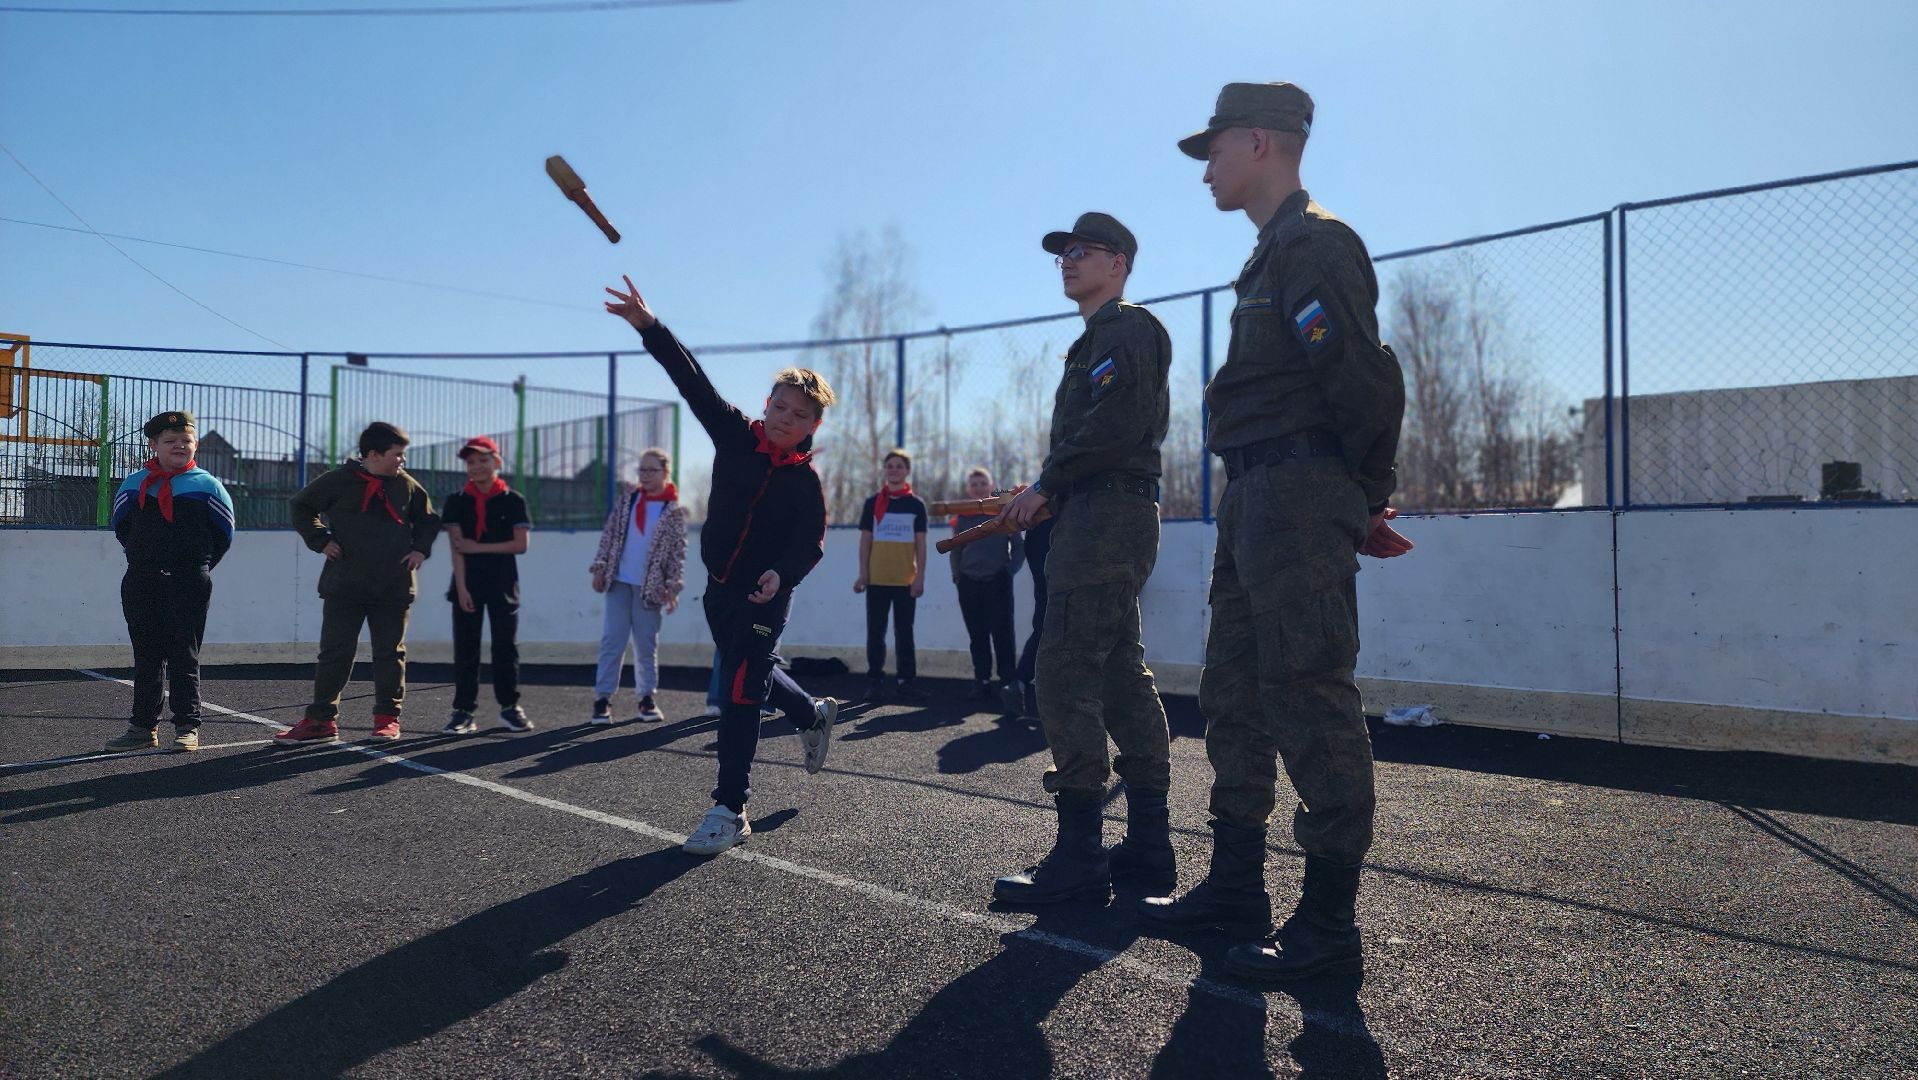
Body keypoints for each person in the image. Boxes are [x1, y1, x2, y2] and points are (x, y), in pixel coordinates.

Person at [1138, 82, 1414, 984]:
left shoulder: (1315, 245)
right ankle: (1236, 886)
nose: (1205, 171)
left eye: (1214, 150)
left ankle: (1329, 924)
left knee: (1308, 692)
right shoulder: (1269, 255)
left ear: (1259, 142)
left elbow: (1367, 384)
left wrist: (1363, 498)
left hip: (1297, 492)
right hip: (1254, 493)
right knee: (1235, 693)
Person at [604, 274, 840, 855]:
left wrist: (782, 574)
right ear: (766, 405)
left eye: (799, 414)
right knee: (749, 670)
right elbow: (692, 381)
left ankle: (730, 808)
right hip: (719, 588)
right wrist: (649, 326)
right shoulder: (734, 435)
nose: (785, 418)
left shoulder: (806, 484)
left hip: (766, 597)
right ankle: (811, 715)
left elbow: (810, 543)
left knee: (740, 689)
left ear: (813, 426)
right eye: (779, 406)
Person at [992, 212, 1177, 904]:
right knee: (1120, 672)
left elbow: (1117, 425)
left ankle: (1078, 855)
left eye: (1083, 251)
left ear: (1119, 263)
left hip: (1105, 517)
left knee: (1064, 667)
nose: (1068, 260)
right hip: (1099, 511)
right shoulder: (1097, 338)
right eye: (1063, 253)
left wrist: (1050, 483)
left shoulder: (1126, 328)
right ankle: (1149, 846)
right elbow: (1102, 437)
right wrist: (1047, 490)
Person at [279, 421, 441, 744]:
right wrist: (321, 540)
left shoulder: (406, 485)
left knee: (389, 653)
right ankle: (321, 721)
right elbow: (301, 506)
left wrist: (420, 549)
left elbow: (429, 520)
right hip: (345, 585)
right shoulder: (338, 481)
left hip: (393, 586)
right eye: (397, 454)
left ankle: (387, 719)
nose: (402, 461)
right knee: (335, 653)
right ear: (373, 454)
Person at [103, 410, 235, 753]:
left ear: (195, 445)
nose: (179, 446)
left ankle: (187, 726)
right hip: (142, 580)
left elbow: (223, 534)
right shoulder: (134, 484)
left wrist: (196, 566)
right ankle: (142, 728)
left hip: (188, 582)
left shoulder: (208, 486)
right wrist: (147, 560)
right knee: (146, 656)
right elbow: (122, 528)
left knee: (183, 655)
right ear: (154, 444)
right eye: (170, 440)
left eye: (186, 440)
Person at [440, 435, 533, 735]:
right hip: (468, 584)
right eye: (471, 461)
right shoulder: (456, 501)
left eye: (483, 460)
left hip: (504, 585)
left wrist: (477, 547)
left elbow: (520, 545)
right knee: (466, 649)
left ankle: (509, 708)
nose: (477, 466)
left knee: (505, 648)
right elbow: (457, 548)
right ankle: (463, 711)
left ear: (497, 462)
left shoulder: (513, 500)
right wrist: (461, 588)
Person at [588, 447, 687, 725]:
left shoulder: (673, 511)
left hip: (650, 589)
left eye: (651, 470)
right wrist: (600, 567)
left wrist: (672, 586)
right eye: (641, 469)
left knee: (646, 644)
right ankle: (602, 699)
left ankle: (646, 699)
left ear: (665, 472)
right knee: (613, 641)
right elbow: (609, 536)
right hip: (619, 582)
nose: (645, 475)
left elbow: (677, 553)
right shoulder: (628, 501)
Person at [854, 449, 928, 702]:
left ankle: (906, 681)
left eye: (899, 466)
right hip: (876, 580)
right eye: (890, 466)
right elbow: (865, 542)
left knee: (904, 633)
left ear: (907, 471)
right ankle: (875, 681)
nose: (894, 470)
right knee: (876, 633)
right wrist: (863, 574)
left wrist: (920, 578)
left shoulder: (916, 505)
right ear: (884, 470)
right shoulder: (872, 503)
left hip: (905, 581)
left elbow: (921, 545)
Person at [947, 466, 1025, 704]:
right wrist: (958, 576)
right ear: (968, 489)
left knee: (1003, 633)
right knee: (977, 634)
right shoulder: (962, 517)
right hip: (969, 582)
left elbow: (1018, 547)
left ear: (991, 486)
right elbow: (955, 549)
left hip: (998, 581)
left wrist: (1008, 571)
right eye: (974, 484)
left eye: (983, 484)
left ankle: (1007, 682)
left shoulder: (1003, 512)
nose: (979, 488)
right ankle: (982, 681)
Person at [1004, 516, 1052, 720]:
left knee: (1043, 626)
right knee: (1057, 628)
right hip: (1062, 561)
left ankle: (1020, 682)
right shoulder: (1069, 508)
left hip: (1040, 546)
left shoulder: (1038, 509)